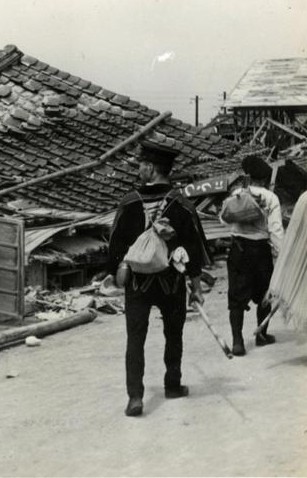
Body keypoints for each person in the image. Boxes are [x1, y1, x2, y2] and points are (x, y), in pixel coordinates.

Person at [108, 138, 209, 417]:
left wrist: (116, 275)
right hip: (171, 282)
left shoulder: (129, 203)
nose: (139, 169)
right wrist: (196, 286)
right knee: (173, 334)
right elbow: (195, 249)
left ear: (151, 168)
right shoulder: (181, 203)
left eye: (142, 164)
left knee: (135, 339)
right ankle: (173, 385)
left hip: (138, 282)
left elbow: (115, 246)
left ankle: (135, 398)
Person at [221, 155, 284, 356]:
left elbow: (224, 219)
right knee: (265, 294)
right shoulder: (270, 198)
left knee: (236, 297)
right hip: (260, 251)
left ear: (248, 177)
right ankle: (261, 335)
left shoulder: (237, 194)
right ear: (264, 179)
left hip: (238, 250)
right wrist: (282, 254)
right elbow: (275, 230)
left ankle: (237, 342)